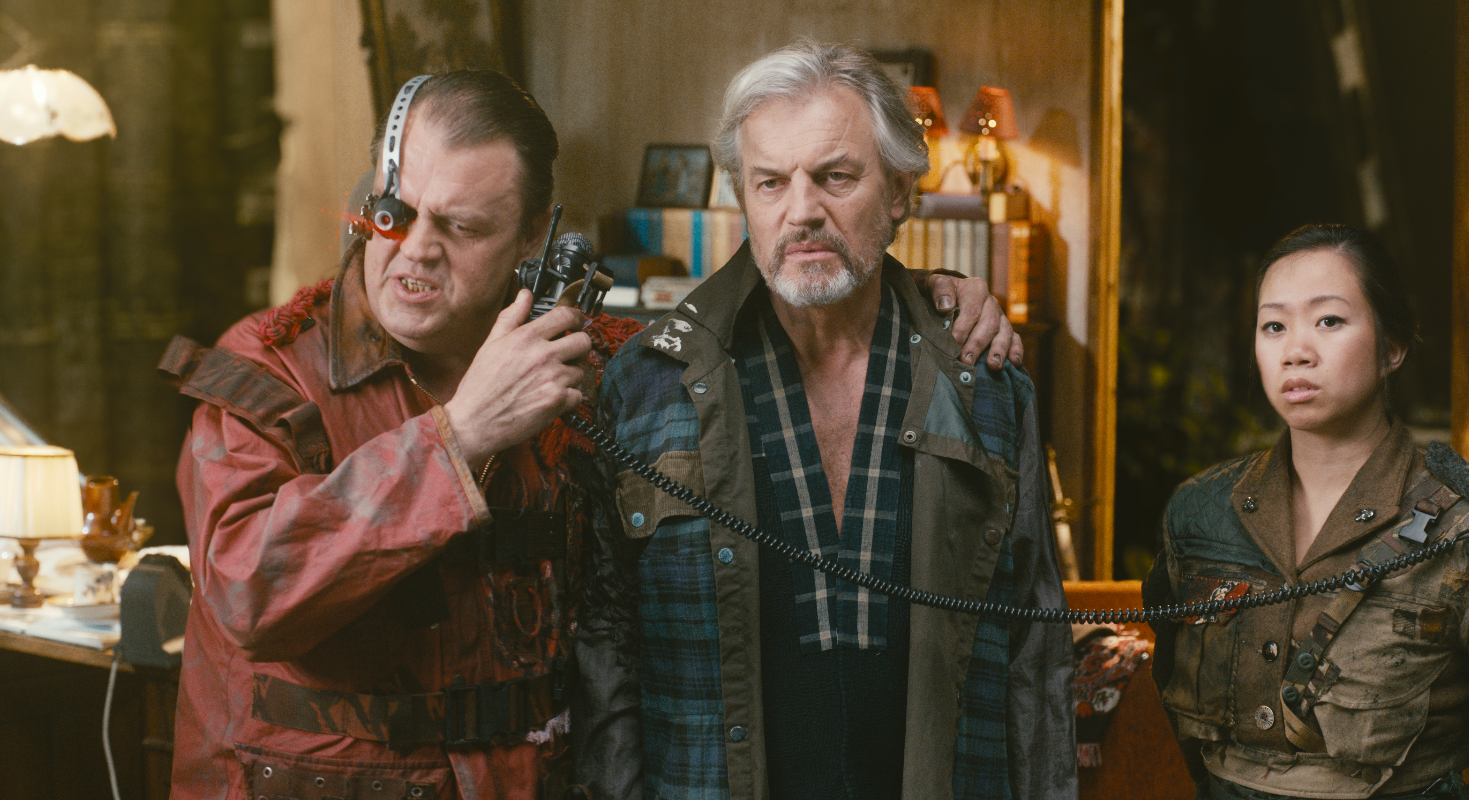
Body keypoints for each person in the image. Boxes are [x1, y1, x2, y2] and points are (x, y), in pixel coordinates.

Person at [162, 68, 1017, 799]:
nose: (415, 250)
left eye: (462, 227)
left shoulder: (592, 365)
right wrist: (458, 437)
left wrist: (925, 302)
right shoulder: (271, 367)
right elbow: (247, 593)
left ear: (534, 238)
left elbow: (782, 324)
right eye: (396, 213)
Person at [577, 41, 1075, 800]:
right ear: (744, 196)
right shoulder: (647, 385)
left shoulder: (986, 384)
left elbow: (1034, 658)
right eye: (771, 182)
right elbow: (606, 646)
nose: (802, 210)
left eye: (836, 176)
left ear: (900, 191)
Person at [1141, 223, 1469, 800]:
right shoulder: (1199, 512)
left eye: (1329, 321)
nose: (1296, 351)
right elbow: (1177, 705)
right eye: (1274, 326)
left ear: (1393, 348)